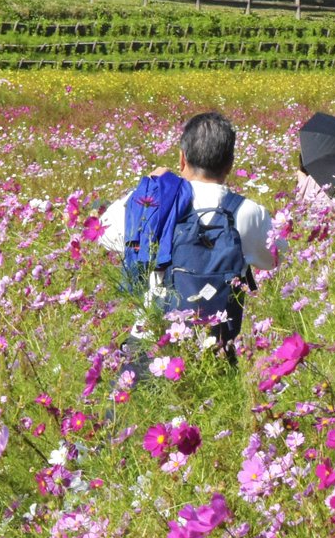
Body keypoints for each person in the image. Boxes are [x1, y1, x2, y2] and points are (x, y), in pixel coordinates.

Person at [98, 111, 280, 363]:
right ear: (230, 164)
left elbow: (103, 232)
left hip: (153, 345)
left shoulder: (153, 202)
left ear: (182, 159)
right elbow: (275, 259)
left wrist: (149, 185)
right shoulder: (250, 213)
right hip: (214, 351)